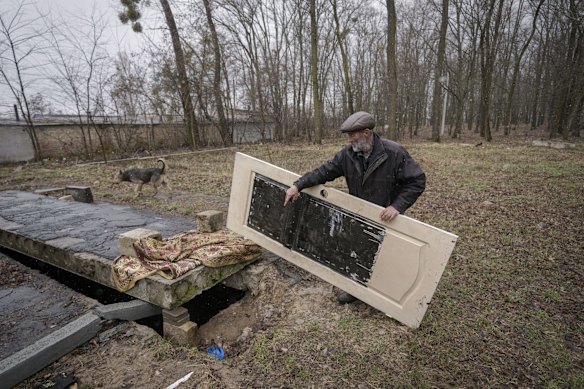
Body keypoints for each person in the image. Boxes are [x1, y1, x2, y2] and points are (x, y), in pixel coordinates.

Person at [283, 111, 426, 304]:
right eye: (348, 136)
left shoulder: (394, 153)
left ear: (367, 133)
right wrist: (298, 185)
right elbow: (324, 171)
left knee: (388, 258)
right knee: (360, 252)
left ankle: (387, 300)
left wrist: (397, 206)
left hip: (388, 214)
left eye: (353, 135)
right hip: (361, 214)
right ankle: (356, 291)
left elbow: (417, 181)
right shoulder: (348, 155)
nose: (349, 140)